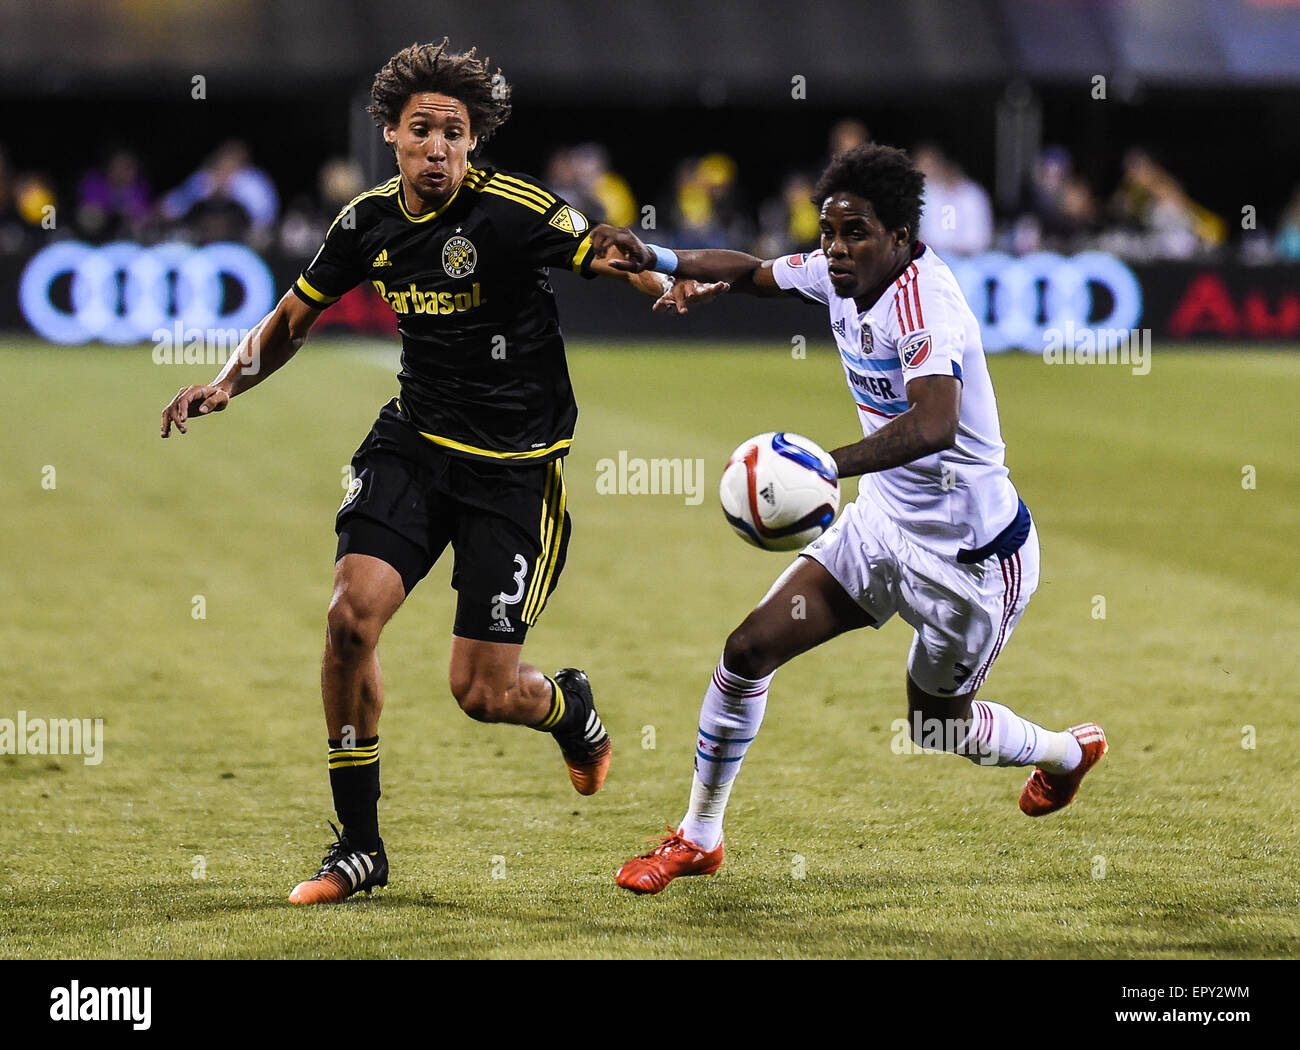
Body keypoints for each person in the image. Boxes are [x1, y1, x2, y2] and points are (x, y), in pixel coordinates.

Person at [159, 40, 706, 904]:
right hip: (413, 444)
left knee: (481, 693)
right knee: (348, 619)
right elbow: (293, 317)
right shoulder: (366, 222)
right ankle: (360, 848)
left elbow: (603, 250)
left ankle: (569, 708)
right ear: (392, 135)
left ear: (473, 142)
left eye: (456, 132)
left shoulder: (515, 212)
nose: (440, 148)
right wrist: (229, 382)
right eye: (423, 131)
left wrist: (663, 282)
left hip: (516, 472)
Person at [590, 144, 1107, 895]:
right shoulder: (839, 276)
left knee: (938, 727)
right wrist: (666, 258)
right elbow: (753, 272)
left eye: (854, 233)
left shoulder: (926, 303)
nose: (834, 248)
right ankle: (699, 837)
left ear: (901, 236)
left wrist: (824, 466)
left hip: (972, 561)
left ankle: (1063, 755)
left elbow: (934, 424)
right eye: (828, 232)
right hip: (881, 528)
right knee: (746, 651)